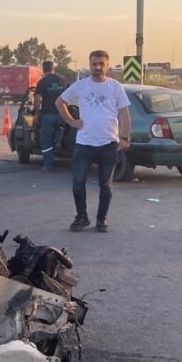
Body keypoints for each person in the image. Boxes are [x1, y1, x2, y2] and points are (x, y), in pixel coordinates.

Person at [56, 50, 131, 233]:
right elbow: (60, 102)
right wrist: (72, 121)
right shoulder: (80, 86)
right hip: (84, 144)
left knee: (105, 185)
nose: (97, 67)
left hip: (108, 144)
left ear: (107, 65)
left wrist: (125, 137)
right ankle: (81, 217)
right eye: (94, 64)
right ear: (90, 65)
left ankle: (101, 219)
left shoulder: (115, 87)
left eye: (101, 64)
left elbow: (124, 113)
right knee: (78, 182)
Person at [34, 60, 70, 172]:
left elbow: (37, 98)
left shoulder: (42, 82)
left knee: (46, 139)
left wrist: (36, 113)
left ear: (43, 69)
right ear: (53, 68)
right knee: (59, 131)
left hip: (47, 115)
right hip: (62, 115)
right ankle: (58, 141)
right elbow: (69, 96)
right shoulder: (63, 80)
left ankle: (48, 165)